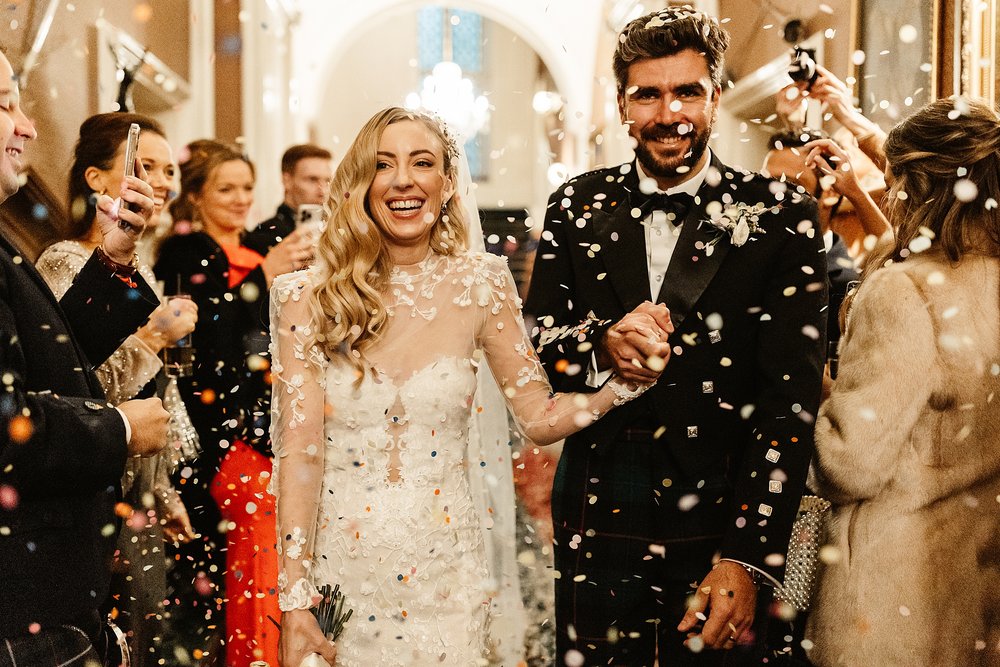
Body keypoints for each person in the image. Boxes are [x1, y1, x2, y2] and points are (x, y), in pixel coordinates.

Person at [270, 106, 663, 667]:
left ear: (448, 183)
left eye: (422, 162)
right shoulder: (305, 297)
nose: (403, 179)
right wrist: (295, 598)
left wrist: (620, 386)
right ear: (361, 183)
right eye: (383, 165)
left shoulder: (483, 284)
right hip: (342, 575)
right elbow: (301, 453)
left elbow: (538, 417)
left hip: (447, 576)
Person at [524, 7, 829, 665]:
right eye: (649, 94)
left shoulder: (780, 215)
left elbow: (789, 404)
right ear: (622, 103)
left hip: (722, 503)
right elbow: (538, 344)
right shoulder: (575, 205)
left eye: (688, 91)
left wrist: (749, 554)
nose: (670, 113)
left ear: (716, 97)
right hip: (600, 496)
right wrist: (600, 341)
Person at [805, 97, 1000, 666]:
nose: (889, 197)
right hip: (973, 598)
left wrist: (817, 390)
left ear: (921, 187)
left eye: (894, 181)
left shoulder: (906, 292)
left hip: (888, 613)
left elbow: (851, 463)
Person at [0, 50, 170, 665]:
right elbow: (8, 427)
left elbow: (53, 362)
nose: (28, 126)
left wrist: (116, 258)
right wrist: (121, 426)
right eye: (5, 104)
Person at [35, 112, 198, 667]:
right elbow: (79, 386)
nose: (160, 179)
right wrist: (154, 336)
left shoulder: (139, 269)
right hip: (95, 489)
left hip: (140, 491)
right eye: (143, 165)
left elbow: (154, 396)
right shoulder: (66, 263)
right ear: (97, 179)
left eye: (168, 168)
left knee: (150, 637)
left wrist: (164, 492)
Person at [154, 140, 313, 666]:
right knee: (221, 573)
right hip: (216, 428)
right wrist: (262, 280)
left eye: (247, 187)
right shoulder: (186, 251)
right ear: (195, 196)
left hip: (265, 421)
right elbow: (198, 347)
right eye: (226, 188)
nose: (242, 198)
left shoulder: (252, 245)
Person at [243, 143, 333, 256]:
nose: (323, 189)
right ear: (287, 181)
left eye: (327, 180)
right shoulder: (264, 235)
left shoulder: (335, 230)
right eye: (312, 179)